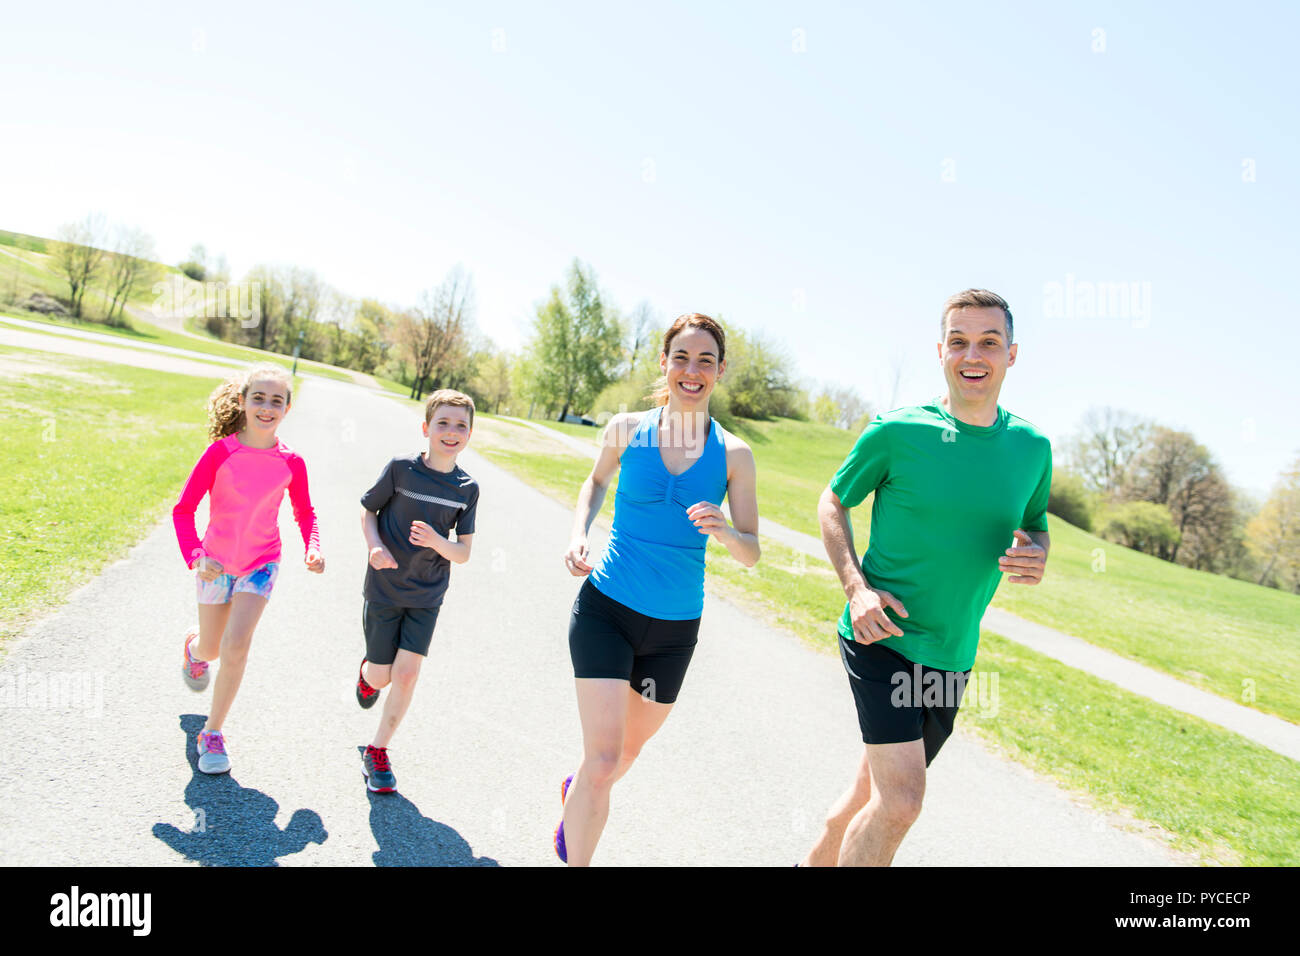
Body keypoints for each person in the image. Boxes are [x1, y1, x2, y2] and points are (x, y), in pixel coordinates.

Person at [800, 289, 1052, 866]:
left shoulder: (1031, 448)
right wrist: (856, 589)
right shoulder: (897, 431)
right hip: (880, 635)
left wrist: (1037, 552)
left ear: (1012, 355)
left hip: (952, 654)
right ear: (941, 351)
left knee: (868, 797)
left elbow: (1034, 526)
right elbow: (832, 502)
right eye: (959, 341)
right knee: (902, 802)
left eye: (990, 342)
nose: (973, 355)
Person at [555, 312, 761, 865]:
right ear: (664, 363)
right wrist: (579, 535)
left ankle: (576, 800)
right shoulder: (626, 429)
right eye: (682, 358)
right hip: (607, 609)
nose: (692, 371)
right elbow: (595, 481)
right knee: (601, 761)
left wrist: (725, 530)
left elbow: (753, 552)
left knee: (625, 753)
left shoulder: (735, 454)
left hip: (673, 631)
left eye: (706, 361)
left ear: (720, 371)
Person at [173, 363, 324, 775]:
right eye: (258, 397)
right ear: (242, 402)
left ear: (287, 409)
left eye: (277, 400)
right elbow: (183, 510)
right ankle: (194, 649)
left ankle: (213, 732)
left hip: (261, 563)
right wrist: (196, 556)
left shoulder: (292, 462)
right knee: (211, 648)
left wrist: (312, 547)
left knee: (236, 647)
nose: (267, 406)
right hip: (215, 565)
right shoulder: (220, 453)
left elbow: (305, 512)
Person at [353, 389, 478, 793]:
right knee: (382, 675)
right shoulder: (401, 470)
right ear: (426, 428)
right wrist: (374, 547)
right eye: (442, 422)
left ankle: (378, 751)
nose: (451, 431)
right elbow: (369, 510)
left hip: (427, 596)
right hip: (385, 587)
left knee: (407, 675)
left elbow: (462, 553)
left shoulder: (467, 489)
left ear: (470, 434)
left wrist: (437, 541)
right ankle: (367, 676)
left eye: (460, 425)